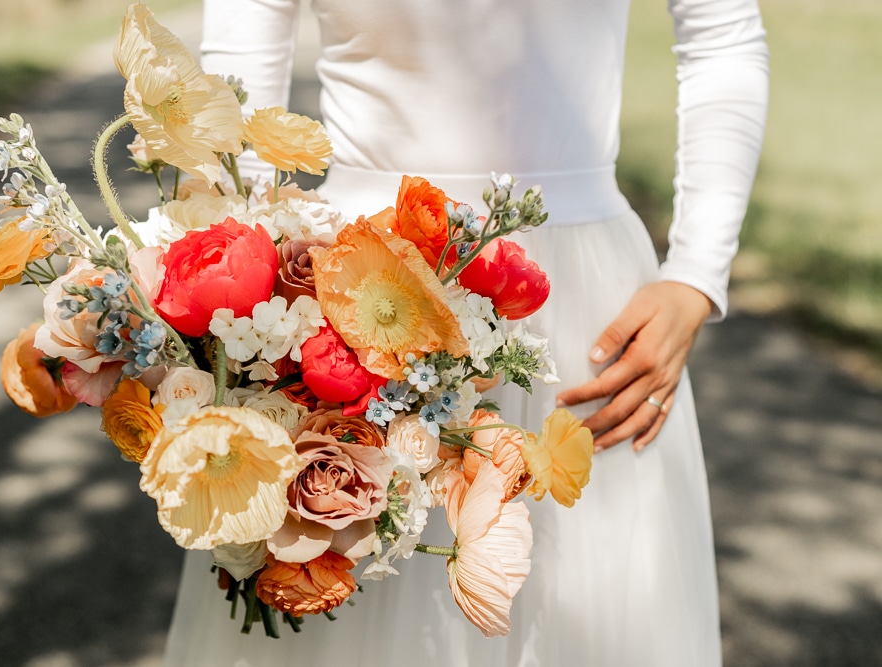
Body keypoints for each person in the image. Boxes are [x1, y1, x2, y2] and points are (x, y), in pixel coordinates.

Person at [164, 1, 769, 665]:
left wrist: (696, 274)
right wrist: (241, 307)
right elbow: (236, 84)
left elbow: (722, 30)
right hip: (350, 294)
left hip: (584, 309)